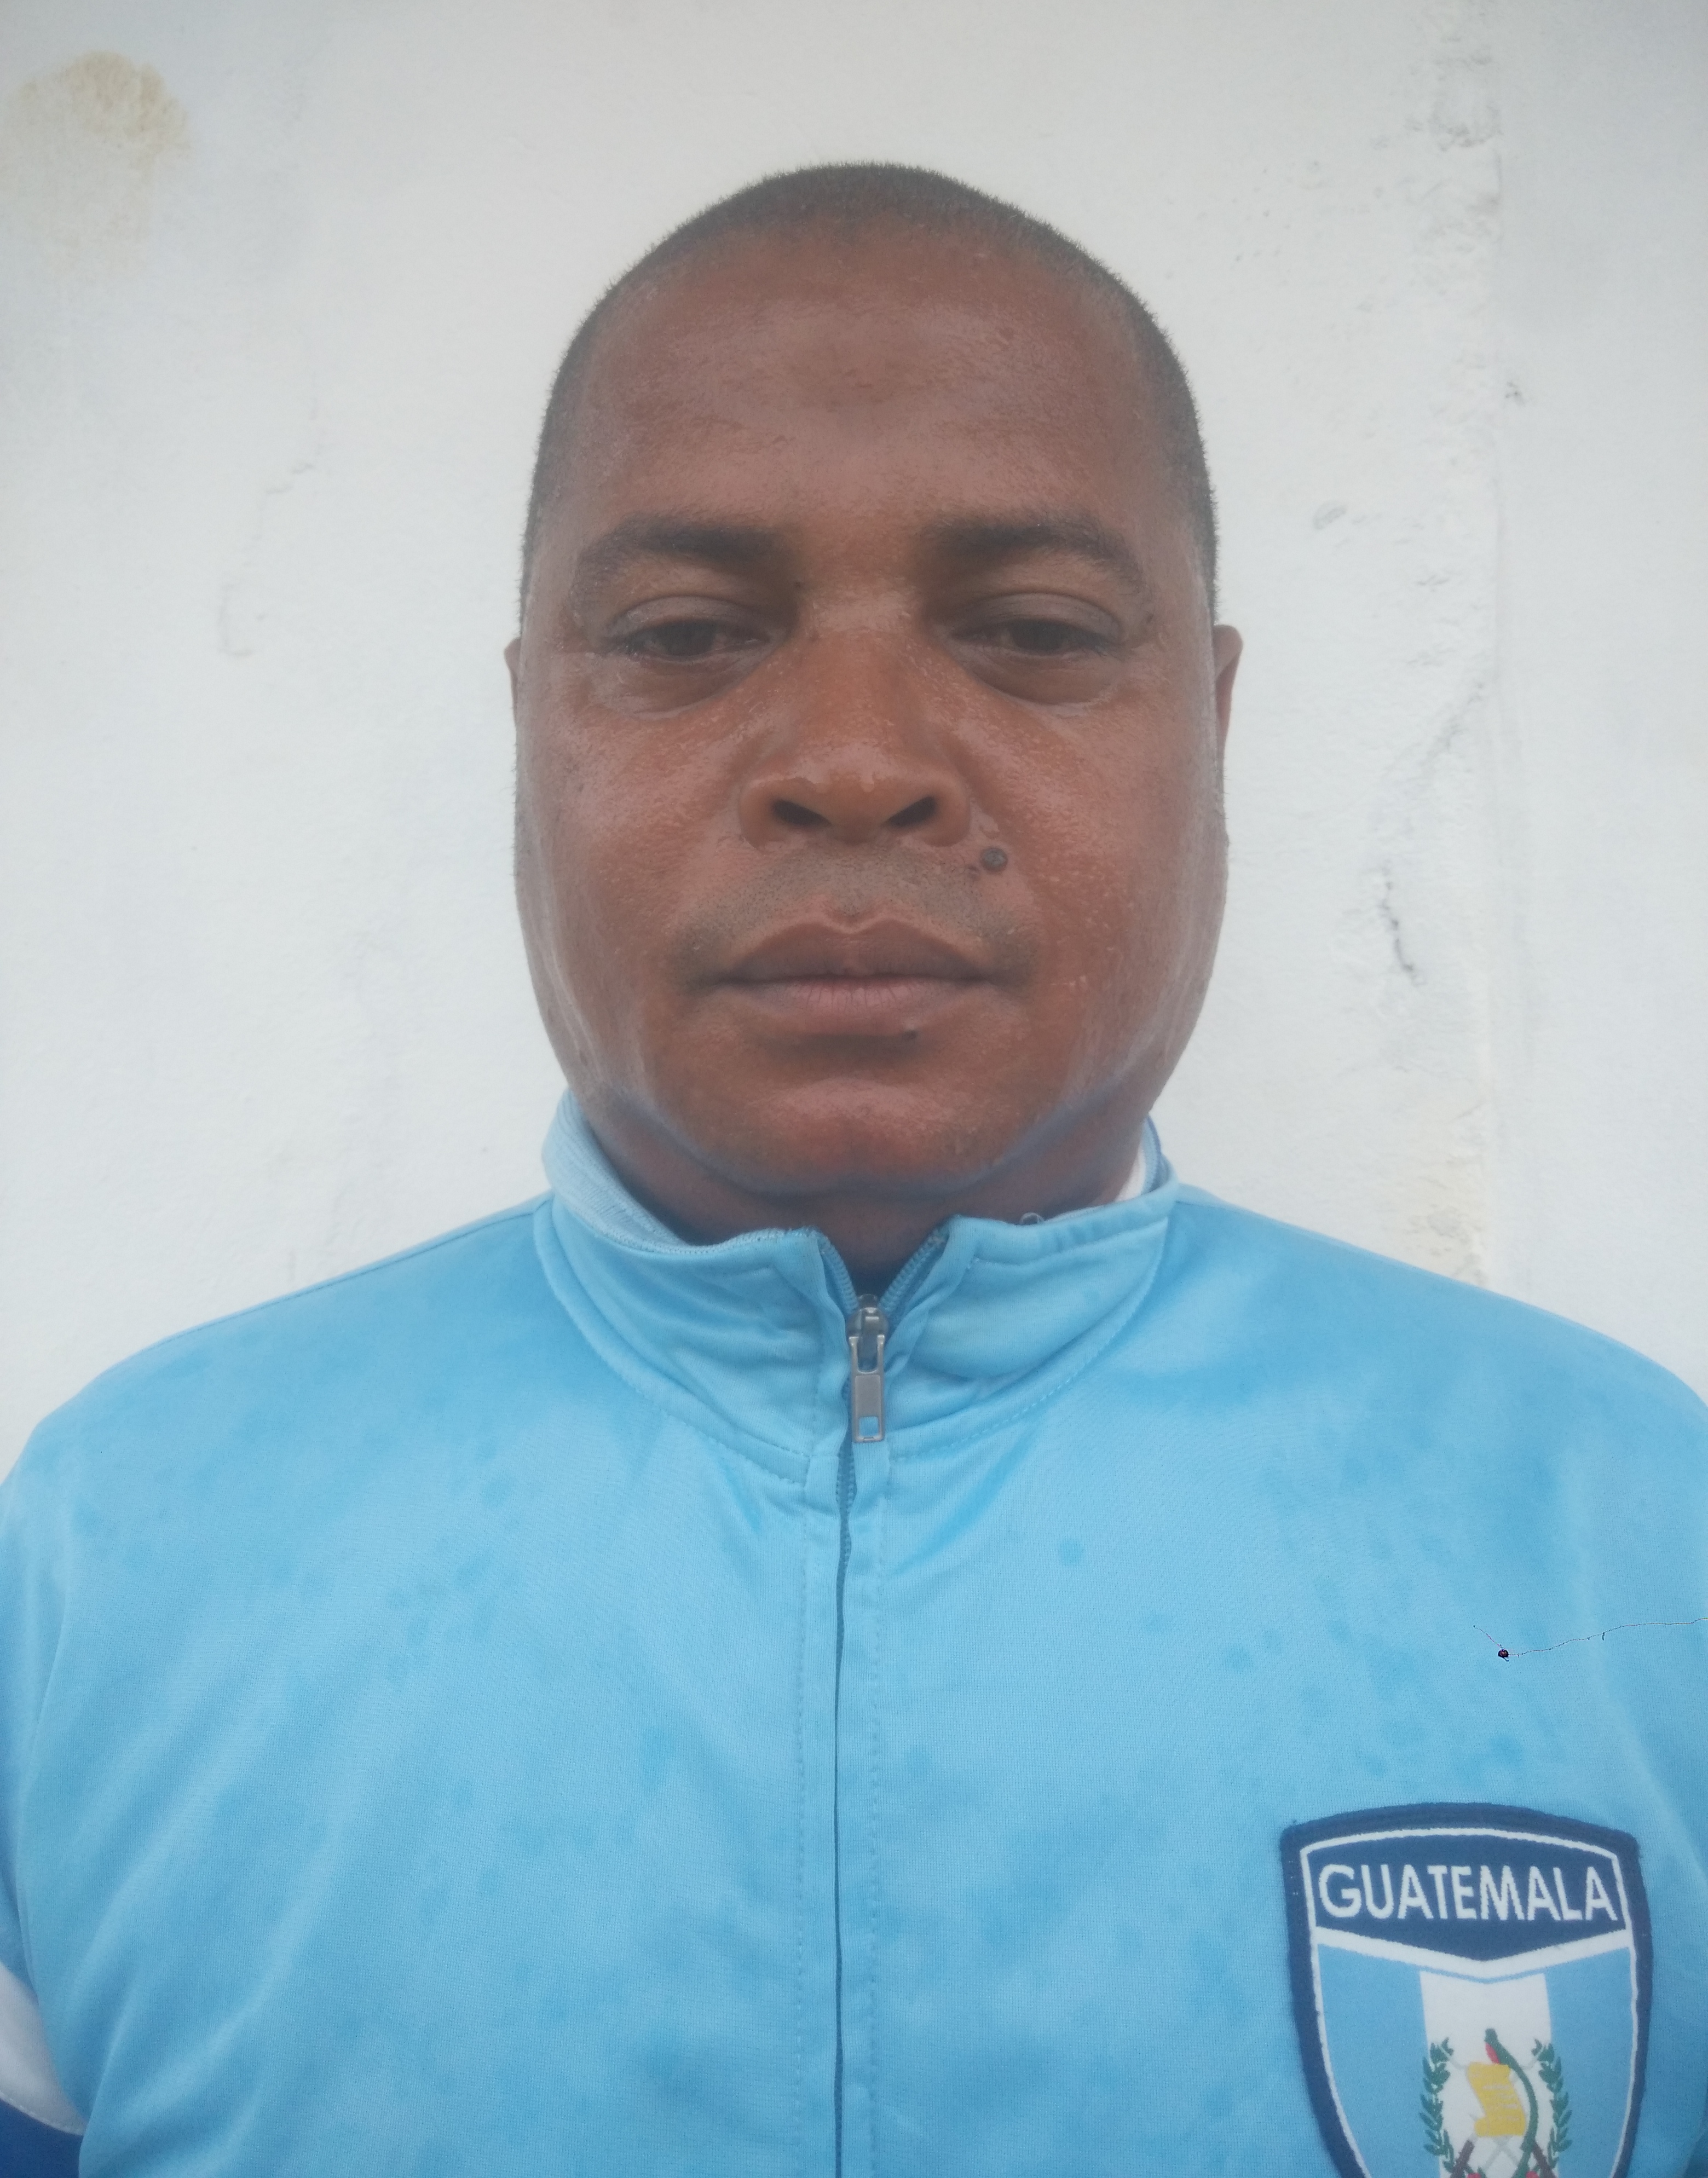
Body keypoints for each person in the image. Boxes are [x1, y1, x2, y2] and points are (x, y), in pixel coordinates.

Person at [1, 164, 1703, 2178]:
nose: (856, 759)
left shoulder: (1635, 1536)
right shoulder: (107, 1560)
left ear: (1215, 722)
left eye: (1036, 632)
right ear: (533, 722)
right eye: (687, 634)